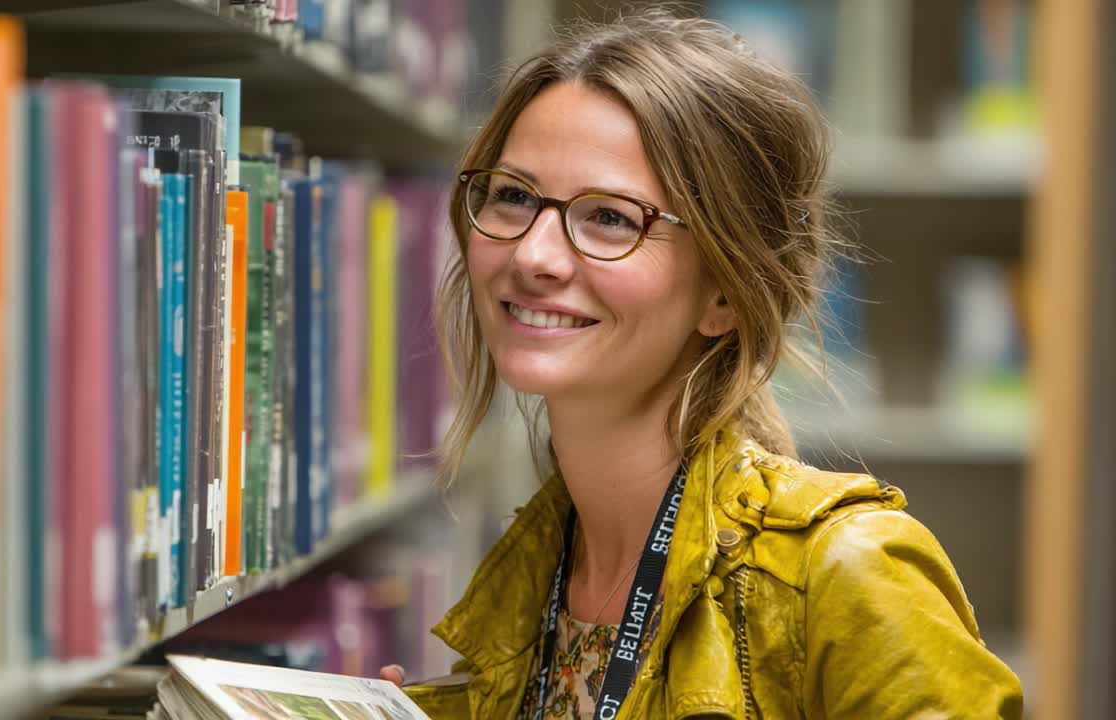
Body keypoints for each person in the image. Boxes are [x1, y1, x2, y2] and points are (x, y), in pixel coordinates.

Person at [382, 8, 1023, 719]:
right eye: (513, 196)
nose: (532, 255)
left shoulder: (848, 570)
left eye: (611, 218)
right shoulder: (531, 581)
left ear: (723, 291)